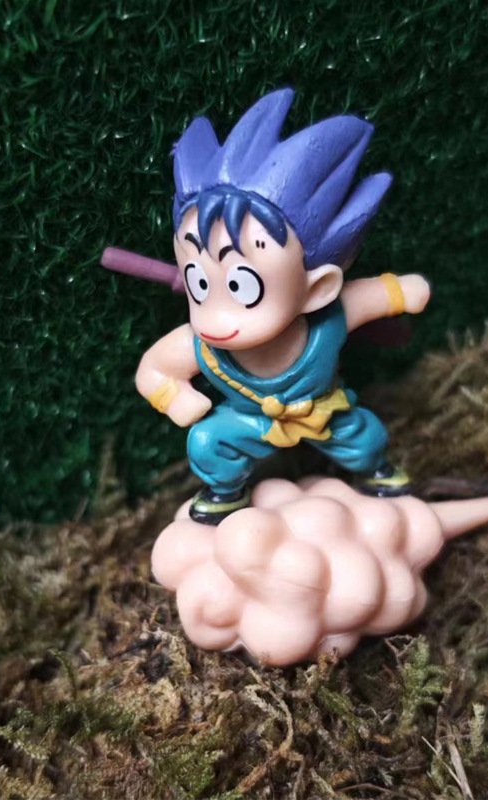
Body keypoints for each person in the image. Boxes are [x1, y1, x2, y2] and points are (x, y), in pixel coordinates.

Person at [136, 89, 430, 524]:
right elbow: (154, 369)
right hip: (247, 423)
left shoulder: (329, 319)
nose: (215, 315)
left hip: (324, 413)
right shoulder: (202, 347)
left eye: (242, 286)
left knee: (363, 437)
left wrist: (401, 291)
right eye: (200, 282)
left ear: (318, 289)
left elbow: (369, 296)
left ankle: (376, 472)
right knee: (208, 442)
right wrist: (177, 398)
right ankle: (225, 492)